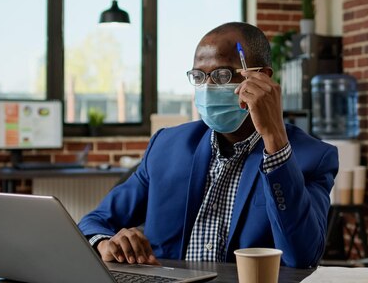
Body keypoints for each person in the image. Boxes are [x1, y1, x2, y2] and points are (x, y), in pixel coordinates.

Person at [78, 22, 338, 268]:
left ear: (263, 78)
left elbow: (302, 257)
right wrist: (105, 243)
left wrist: (276, 145)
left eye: (223, 75)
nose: (208, 87)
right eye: (199, 77)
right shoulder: (167, 146)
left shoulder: (312, 157)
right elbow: (95, 221)